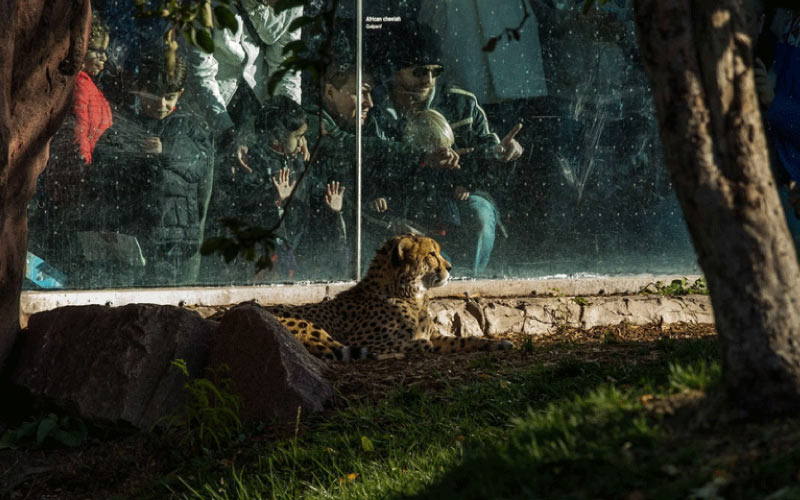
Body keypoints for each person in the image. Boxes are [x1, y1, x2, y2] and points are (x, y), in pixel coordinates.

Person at [372, 21, 524, 277]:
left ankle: (468, 284)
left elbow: (489, 159)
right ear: (396, 71)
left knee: (480, 217)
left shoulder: (462, 103)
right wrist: (421, 165)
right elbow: (372, 164)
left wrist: (502, 155)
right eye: (419, 71)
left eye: (435, 71)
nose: (428, 80)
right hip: (404, 197)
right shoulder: (375, 108)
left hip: (462, 192)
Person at [90, 52, 215, 286]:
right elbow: (104, 161)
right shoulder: (127, 122)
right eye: (155, 95)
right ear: (140, 90)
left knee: (163, 292)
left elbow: (198, 162)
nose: (161, 104)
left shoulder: (188, 127)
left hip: (172, 234)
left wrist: (164, 150)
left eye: (169, 97)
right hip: (131, 229)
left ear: (180, 95)